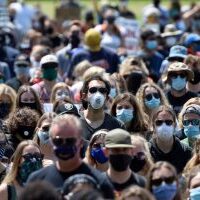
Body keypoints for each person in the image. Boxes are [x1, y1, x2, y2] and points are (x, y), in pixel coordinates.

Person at [27, 114, 114, 199]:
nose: (64, 145)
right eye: (59, 141)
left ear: (80, 143)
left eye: (70, 141)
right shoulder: (37, 180)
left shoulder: (100, 182)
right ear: (52, 142)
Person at [149, 105, 192, 174]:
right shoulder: (146, 152)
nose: (164, 126)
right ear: (153, 126)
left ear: (174, 125)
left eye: (168, 122)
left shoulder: (187, 152)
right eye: (159, 122)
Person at [80, 75, 123, 140]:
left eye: (102, 91)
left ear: (107, 98)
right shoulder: (75, 121)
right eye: (93, 90)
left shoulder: (117, 125)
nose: (98, 94)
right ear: (84, 96)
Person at [105, 128, 146, 197]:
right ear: (106, 152)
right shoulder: (98, 184)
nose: (121, 153)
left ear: (131, 151)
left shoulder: (143, 184)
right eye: (116, 150)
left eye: (125, 149)